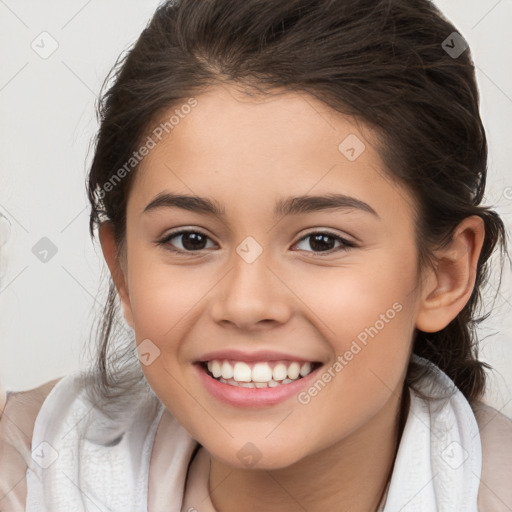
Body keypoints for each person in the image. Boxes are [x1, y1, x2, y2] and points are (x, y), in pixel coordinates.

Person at [1, 0, 512, 510]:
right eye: (191, 240)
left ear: (444, 274)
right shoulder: (22, 473)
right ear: (124, 271)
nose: (246, 304)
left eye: (322, 241)